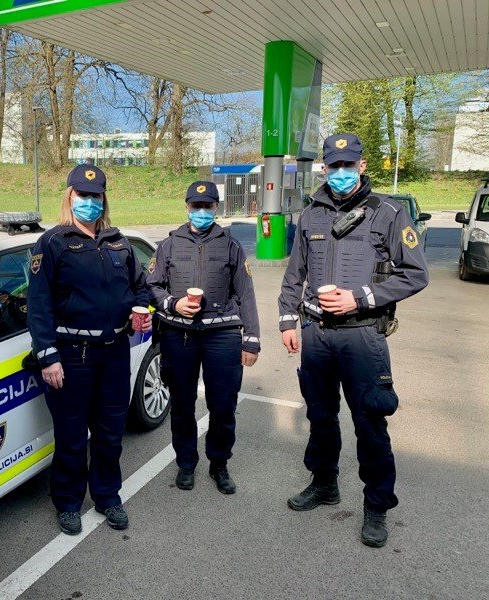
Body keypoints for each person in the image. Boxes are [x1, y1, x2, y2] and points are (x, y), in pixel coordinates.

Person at [278, 133, 428, 548]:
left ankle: (377, 505)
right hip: (317, 335)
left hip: (363, 336)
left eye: (349, 165)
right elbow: (294, 275)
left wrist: (361, 298)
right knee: (321, 417)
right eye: (333, 166)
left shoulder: (389, 213)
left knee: (370, 422)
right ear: (324, 168)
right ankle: (324, 483)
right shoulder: (312, 214)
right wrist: (288, 322)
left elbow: (415, 274)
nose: (341, 173)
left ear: (362, 166)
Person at [27, 164, 151, 535]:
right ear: (70, 197)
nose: (90, 202)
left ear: (104, 199)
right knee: (71, 435)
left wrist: (141, 310)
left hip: (113, 351)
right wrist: (47, 355)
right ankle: (67, 502)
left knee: (111, 431)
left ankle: (108, 496)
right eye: (83, 195)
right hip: (70, 354)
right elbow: (39, 305)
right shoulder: (52, 243)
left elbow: (140, 288)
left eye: (96, 196)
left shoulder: (119, 242)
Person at [147, 181, 260, 494]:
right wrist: (173, 304)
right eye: (196, 206)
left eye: (207, 206)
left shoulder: (230, 245)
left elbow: (246, 293)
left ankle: (219, 463)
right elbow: (152, 287)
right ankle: (186, 463)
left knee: (223, 404)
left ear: (216, 208)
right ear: (187, 207)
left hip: (222, 335)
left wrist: (252, 338)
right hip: (178, 335)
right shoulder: (168, 245)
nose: (201, 211)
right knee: (182, 404)